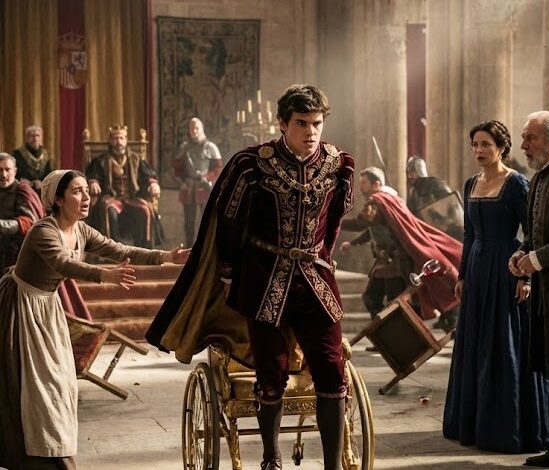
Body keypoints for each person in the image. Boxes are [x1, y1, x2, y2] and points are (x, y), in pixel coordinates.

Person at [147, 84, 354, 470]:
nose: (311, 131)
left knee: (331, 368)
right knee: (270, 372)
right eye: (302, 123)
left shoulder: (338, 165)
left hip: (316, 281)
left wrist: (323, 257)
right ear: (282, 123)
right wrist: (227, 272)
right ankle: (271, 458)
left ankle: (333, 466)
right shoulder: (252, 164)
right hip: (264, 281)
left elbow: (334, 222)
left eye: (317, 123)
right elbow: (229, 222)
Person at [0, 169, 190, 470]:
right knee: (32, 384)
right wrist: (104, 275)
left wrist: (166, 257)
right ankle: (38, 455)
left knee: (60, 382)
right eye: (77, 191)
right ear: (58, 199)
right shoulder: (43, 231)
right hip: (21, 307)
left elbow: (120, 249)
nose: (86, 197)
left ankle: (51, 448)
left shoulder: (82, 230)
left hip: (47, 308)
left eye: (87, 191)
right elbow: (63, 263)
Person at [444, 119, 549, 454]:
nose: (479, 151)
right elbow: (468, 234)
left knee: (504, 344)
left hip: (507, 268)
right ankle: (473, 423)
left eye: (486, 145)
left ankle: (510, 426)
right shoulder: (471, 183)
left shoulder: (516, 183)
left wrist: (526, 276)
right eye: (475, 145)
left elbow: (533, 231)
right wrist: (462, 275)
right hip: (478, 270)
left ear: (502, 148)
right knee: (477, 343)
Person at [508, 111, 549, 468]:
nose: (523, 145)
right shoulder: (541, 176)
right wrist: (522, 253)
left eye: (530, 137)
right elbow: (536, 230)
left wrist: (537, 259)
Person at [340, 166, 461, 330]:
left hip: (394, 263)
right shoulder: (389, 201)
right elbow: (373, 229)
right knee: (373, 298)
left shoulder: (377, 202)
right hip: (386, 261)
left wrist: (334, 221)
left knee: (392, 303)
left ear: (376, 184)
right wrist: (353, 243)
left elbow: (362, 222)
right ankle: (385, 334)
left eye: (364, 183)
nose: (360, 187)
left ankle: (394, 336)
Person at [85, 125, 163, 248]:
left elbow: (148, 175)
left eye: (121, 138)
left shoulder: (136, 159)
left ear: (126, 140)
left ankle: (143, 251)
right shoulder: (101, 160)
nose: (119, 142)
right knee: (108, 212)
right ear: (110, 141)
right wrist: (93, 182)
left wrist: (153, 184)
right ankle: (113, 250)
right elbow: (93, 175)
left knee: (145, 211)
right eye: (115, 138)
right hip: (111, 198)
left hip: (133, 197)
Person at [172, 117, 223, 248]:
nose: (194, 131)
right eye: (192, 128)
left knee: (207, 220)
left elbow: (218, 168)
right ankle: (189, 249)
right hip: (189, 187)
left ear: (202, 129)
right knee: (189, 221)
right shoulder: (184, 147)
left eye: (196, 128)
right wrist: (181, 183)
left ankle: (206, 249)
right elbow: (177, 169)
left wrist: (208, 177)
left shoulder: (210, 147)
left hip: (204, 187)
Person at [0, 152, 44, 273]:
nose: (3, 175)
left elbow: (29, 222)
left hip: (17, 254)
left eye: (7, 170)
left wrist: (2, 225)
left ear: (15, 171)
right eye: (0, 170)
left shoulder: (23, 191)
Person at [406, 155, 463, 241]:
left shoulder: (435, 184)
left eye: (412, 171)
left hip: (445, 228)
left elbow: (451, 204)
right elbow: (411, 214)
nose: (409, 176)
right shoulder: (413, 192)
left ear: (420, 170)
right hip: (426, 232)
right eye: (408, 173)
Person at [12, 125, 53, 194]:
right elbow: (13, 173)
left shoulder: (45, 155)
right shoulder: (17, 154)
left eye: (37, 136)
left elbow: (49, 174)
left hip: (42, 190)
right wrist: (24, 181)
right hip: (23, 190)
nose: (35, 139)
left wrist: (42, 182)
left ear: (41, 138)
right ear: (27, 138)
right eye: (32, 136)